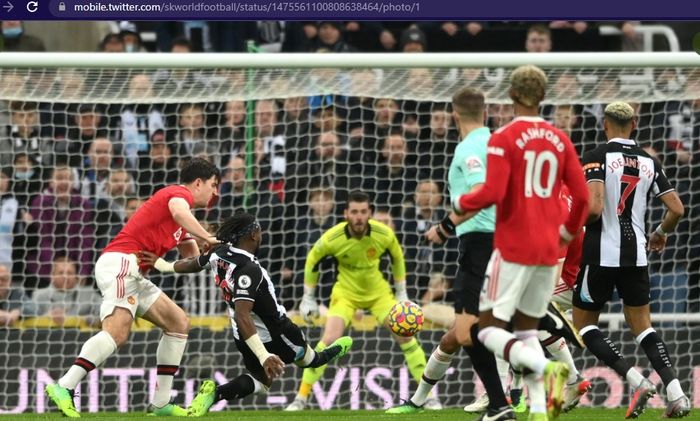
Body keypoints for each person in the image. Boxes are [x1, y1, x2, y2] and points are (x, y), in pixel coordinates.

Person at [453, 65, 589, 421]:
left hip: (513, 247)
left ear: (512, 95)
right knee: (527, 329)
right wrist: (566, 233)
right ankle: (541, 412)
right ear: (543, 96)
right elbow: (582, 198)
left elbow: (493, 192)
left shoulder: (503, 138)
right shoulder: (561, 139)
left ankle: (544, 369)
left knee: (485, 330)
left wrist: (459, 206)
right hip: (548, 250)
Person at [45, 158, 220, 417]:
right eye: (213, 185)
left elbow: (190, 262)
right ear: (197, 183)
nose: (216, 192)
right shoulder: (177, 194)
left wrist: (210, 254)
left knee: (178, 322)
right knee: (117, 332)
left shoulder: (182, 225)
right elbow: (179, 211)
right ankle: (65, 385)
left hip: (134, 273)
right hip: (121, 262)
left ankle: (161, 403)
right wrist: (208, 237)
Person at [140, 213, 353, 416]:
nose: (261, 235)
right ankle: (337, 349)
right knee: (312, 361)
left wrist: (162, 265)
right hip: (276, 332)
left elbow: (193, 264)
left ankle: (214, 394)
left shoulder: (218, 253)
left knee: (261, 382)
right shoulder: (250, 269)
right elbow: (244, 315)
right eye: (259, 231)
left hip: (242, 336)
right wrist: (264, 355)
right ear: (253, 235)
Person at [572, 101, 690, 419]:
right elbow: (677, 208)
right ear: (634, 124)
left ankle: (636, 379)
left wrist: (571, 225)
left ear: (606, 124)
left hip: (600, 254)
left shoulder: (597, 156)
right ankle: (677, 394)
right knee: (643, 328)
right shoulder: (649, 161)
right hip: (636, 255)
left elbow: (595, 208)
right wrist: (660, 232)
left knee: (583, 326)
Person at [286, 191, 438, 411]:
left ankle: (429, 396)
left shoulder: (383, 234)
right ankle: (300, 398)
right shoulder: (332, 237)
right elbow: (312, 260)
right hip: (345, 293)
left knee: (406, 336)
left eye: (363, 212)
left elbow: (397, 257)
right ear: (346, 213)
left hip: (378, 293)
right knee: (329, 340)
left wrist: (401, 293)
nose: (359, 217)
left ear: (370, 213)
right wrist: (307, 297)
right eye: (354, 212)